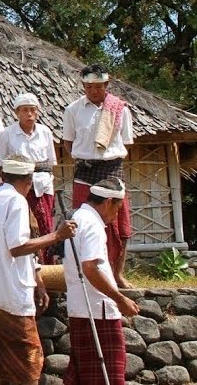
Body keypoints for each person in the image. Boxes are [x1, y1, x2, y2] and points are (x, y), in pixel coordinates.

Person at [0, 154, 77, 385]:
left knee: (1, 361)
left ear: (4, 176)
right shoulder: (15, 201)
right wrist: (57, 235)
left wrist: (38, 280)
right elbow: (17, 247)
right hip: (8, 295)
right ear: (28, 180)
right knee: (30, 361)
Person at [62, 64, 135, 288]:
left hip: (112, 168)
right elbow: (68, 142)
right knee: (81, 221)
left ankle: (117, 273)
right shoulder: (72, 110)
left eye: (98, 86)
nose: (93, 91)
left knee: (120, 223)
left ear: (106, 85)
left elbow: (126, 143)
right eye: (89, 86)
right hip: (84, 170)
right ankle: (83, 271)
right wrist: (85, 156)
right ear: (83, 86)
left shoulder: (120, 110)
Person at [64, 178, 140, 385]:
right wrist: (120, 298)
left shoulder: (78, 217)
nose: (117, 216)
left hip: (80, 308)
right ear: (108, 202)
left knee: (83, 375)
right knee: (109, 375)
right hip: (98, 310)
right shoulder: (93, 225)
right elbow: (90, 267)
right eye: (118, 209)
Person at [0, 93, 59, 263]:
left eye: (32, 110)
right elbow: (0, 164)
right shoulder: (7, 134)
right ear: (17, 113)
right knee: (22, 228)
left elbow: (50, 163)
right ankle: (26, 268)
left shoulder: (45, 132)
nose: (29, 114)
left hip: (42, 187)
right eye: (24, 110)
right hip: (18, 189)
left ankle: (47, 271)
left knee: (45, 227)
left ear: (37, 112)